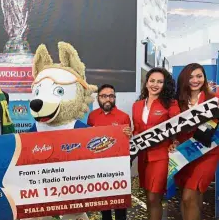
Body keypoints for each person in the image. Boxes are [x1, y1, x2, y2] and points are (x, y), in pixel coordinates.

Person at [172, 63, 219, 220]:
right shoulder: (177, 102)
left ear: (204, 78)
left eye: (199, 76)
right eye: (191, 76)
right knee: (191, 198)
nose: (195, 80)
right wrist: (174, 142)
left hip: (207, 152)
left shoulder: (214, 99)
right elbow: (171, 128)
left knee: (188, 196)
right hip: (185, 153)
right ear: (184, 79)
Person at [132, 67, 180, 220]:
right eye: (152, 81)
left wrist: (175, 141)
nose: (155, 84)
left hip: (160, 157)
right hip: (142, 157)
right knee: (147, 196)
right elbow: (137, 130)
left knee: (154, 197)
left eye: (160, 82)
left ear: (164, 85)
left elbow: (178, 126)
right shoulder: (137, 105)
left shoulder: (170, 104)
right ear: (146, 83)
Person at [87, 84, 131, 220]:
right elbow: (88, 140)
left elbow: (128, 140)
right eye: (104, 96)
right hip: (99, 165)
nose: (108, 99)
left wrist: (129, 134)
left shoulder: (124, 117)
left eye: (111, 96)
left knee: (120, 202)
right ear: (98, 98)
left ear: (115, 98)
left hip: (119, 165)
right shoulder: (92, 116)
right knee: (104, 202)